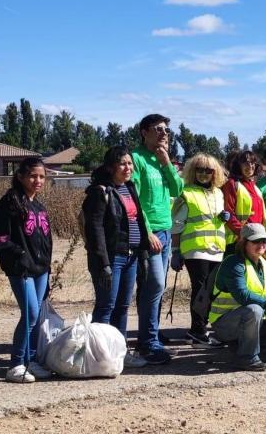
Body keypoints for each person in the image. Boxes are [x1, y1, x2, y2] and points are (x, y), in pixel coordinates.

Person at [82, 147, 150, 368]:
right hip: (111, 259)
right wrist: (104, 264)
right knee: (106, 306)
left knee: (122, 306)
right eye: (122, 163)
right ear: (111, 167)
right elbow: (95, 230)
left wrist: (144, 253)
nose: (128, 168)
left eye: (130, 163)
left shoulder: (129, 188)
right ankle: (98, 357)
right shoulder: (99, 192)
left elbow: (138, 222)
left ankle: (119, 353)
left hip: (131, 256)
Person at [0, 158, 53, 383]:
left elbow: (45, 239)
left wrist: (47, 266)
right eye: (33, 176)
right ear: (21, 176)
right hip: (21, 270)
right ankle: (16, 364)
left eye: (42, 176)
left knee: (36, 317)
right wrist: (19, 256)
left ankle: (32, 361)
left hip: (40, 270)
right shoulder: (10, 202)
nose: (38, 180)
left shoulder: (39, 205)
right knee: (31, 314)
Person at [131, 113, 183, 365]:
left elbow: (177, 190)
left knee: (156, 289)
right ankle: (148, 343)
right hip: (149, 234)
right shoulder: (136, 159)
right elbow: (135, 200)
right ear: (144, 131)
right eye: (158, 129)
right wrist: (148, 231)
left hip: (165, 231)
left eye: (166, 130)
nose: (164, 134)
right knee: (153, 287)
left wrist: (167, 163)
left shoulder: (162, 159)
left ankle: (150, 337)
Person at [209, 223, 266, 371]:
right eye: (256, 241)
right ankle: (247, 358)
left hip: (250, 322)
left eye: (264, 241)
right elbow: (243, 296)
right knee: (254, 310)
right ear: (243, 242)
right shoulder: (233, 263)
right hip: (224, 323)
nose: (261, 244)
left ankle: (242, 349)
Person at [170, 153, 230, 347]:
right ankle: (197, 331)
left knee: (211, 291)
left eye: (208, 170)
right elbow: (177, 224)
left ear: (215, 173)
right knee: (201, 290)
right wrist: (176, 251)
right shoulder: (186, 193)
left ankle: (201, 329)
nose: (204, 173)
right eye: (199, 170)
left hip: (216, 249)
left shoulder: (219, 193)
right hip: (195, 249)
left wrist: (224, 217)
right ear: (192, 171)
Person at [223, 150, 266, 252]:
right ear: (238, 166)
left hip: (256, 239)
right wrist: (244, 234)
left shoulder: (255, 187)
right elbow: (228, 213)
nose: (250, 166)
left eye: (252, 162)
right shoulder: (232, 184)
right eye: (245, 162)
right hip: (238, 241)